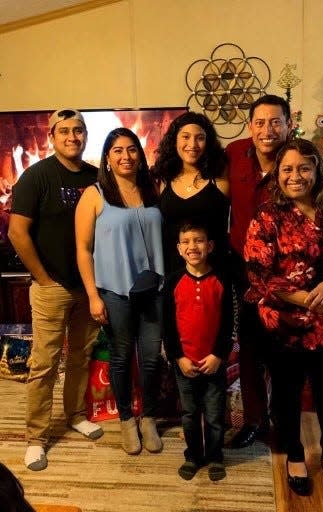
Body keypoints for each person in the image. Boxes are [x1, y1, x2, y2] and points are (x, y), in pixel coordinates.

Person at [226, 94, 323, 449]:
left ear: (289, 124)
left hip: (297, 282)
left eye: (276, 121)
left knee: (285, 365)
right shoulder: (233, 154)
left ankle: (289, 430)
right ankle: (254, 421)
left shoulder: (300, 162)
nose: (268, 129)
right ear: (250, 127)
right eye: (260, 122)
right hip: (247, 270)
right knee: (249, 349)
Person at [244, 138, 323, 496]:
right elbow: (259, 272)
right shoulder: (267, 216)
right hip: (284, 328)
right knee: (285, 398)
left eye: (303, 167)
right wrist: (308, 300)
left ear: (318, 170)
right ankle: (295, 456)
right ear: (277, 175)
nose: (295, 176)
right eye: (287, 169)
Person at [8, 109, 103, 472]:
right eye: (64, 131)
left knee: (80, 356)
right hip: (52, 287)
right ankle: (36, 438)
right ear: (51, 136)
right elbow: (17, 232)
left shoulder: (96, 177)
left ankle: (76, 414)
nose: (72, 137)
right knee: (44, 364)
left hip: (88, 287)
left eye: (78, 131)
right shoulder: (36, 176)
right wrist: (43, 278)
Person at [75, 127, 164, 456]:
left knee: (153, 358)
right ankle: (127, 418)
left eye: (131, 149)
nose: (126, 156)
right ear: (108, 159)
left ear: (140, 155)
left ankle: (150, 417)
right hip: (115, 291)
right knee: (121, 357)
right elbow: (83, 250)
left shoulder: (153, 189)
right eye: (118, 151)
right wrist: (93, 296)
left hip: (154, 288)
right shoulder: (94, 195)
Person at [163, 220, 233, 481]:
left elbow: (228, 323)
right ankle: (193, 455)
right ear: (179, 249)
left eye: (199, 240)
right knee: (190, 414)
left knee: (214, 414)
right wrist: (178, 357)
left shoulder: (222, 281)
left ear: (210, 246)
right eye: (187, 242)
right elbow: (168, 325)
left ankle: (215, 456)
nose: (193, 246)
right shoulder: (172, 282)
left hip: (213, 362)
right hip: (185, 364)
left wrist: (219, 355)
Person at [153, 111, 230, 274]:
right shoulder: (165, 179)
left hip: (214, 274)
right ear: (174, 141)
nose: (193, 144)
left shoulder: (221, 179)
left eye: (200, 138)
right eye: (185, 137)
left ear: (208, 143)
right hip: (173, 272)